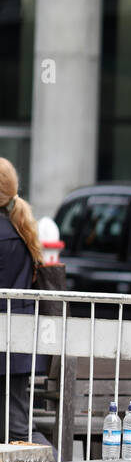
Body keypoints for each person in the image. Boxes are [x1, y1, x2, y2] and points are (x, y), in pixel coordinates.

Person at [0, 159, 50, 446]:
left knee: (19, 432)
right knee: (16, 429)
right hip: (15, 351)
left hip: (7, 350)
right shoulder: (18, 231)